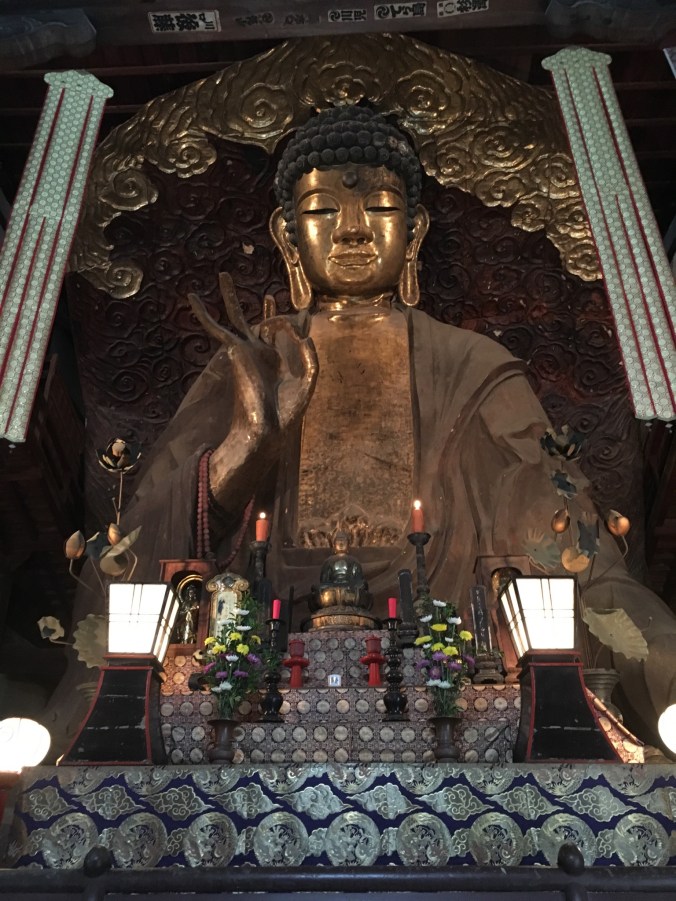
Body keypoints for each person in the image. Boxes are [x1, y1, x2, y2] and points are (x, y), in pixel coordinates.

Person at [68, 106, 676, 742]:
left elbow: (571, 549)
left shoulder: (470, 365)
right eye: (323, 211)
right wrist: (249, 446)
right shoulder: (253, 361)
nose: (352, 230)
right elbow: (141, 550)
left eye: (380, 208)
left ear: (414, 232)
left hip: (450, 668)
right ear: (286, 235)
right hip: (259, 674)